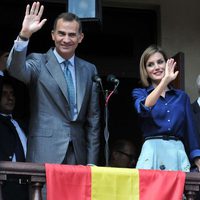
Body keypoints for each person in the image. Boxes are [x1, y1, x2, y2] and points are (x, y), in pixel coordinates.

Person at [7, 2, 100, 166]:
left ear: (80, 38)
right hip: (45, 152)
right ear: (52, 35)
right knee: (45, 193)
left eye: (71, 35)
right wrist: (24, 35)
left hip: (78, 155)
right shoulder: (39, 61)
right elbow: (16, 70)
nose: (66, 39)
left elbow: (93, 121)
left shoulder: (89, 70)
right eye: (61, 33)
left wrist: (91, 162)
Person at [131, 44, 200, 172]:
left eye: (160, 62)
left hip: (177, 152)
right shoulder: (140, 93)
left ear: (166, 64)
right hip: (152, 152)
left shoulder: (182, 97)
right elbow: (144, 107)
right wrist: (165, 81)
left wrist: (197, 159)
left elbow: (191, 132)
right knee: (150, 192)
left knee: (179, 192)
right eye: (150, 64)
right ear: (145, 70)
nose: (156, 67)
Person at [0, 77, 29, 200]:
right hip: (4, 186)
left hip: (27, 186)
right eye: (4, 94)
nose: (10, 97)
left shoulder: (21, 124)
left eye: (12, 94)